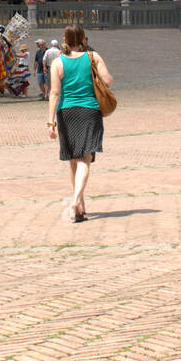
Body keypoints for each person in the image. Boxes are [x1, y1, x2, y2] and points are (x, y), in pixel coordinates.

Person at [48, 23, 113, 223]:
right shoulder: (93, 57)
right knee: (86, 159)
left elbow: (55, 93)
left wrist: (50, 122)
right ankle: (77, 200)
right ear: (83, 39)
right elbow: (108, 81)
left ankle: (79, 208)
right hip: (89, 110)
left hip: (66, 113)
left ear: (65, 40)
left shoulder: (57, 63)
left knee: (73, 159)